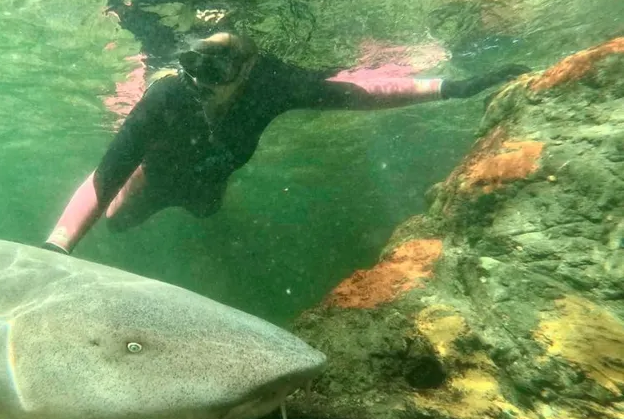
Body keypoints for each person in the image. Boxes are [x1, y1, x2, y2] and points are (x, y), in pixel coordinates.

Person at [42, 32, 529, 254]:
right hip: (158, 177)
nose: (201, 81)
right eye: (194, 65)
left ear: (249, 68)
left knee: (208, 212)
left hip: (212, 179)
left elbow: (361, 94)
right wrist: (58, 245)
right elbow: (106, 174)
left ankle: (214, 213)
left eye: (218, 69)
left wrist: (455, 87)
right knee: (116, 221)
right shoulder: (167, 95)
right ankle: (145, 198)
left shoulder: (273, 85)